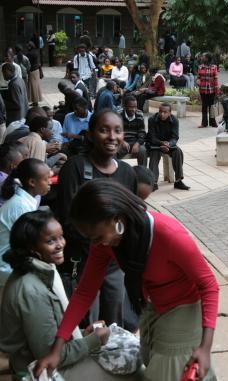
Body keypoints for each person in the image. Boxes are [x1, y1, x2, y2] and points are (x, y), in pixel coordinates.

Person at [34, 178, 219, 381]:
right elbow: (85, 292)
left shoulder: (170, 235)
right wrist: (57, 349)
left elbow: (209, 285)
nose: (95, 243)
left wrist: (205, 347)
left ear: (116, 218)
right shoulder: (105, 243)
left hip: (185, 306)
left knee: (167, 369)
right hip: (153, 305)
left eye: (96, 237)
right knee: (152, 361)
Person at [0, 210, 142, 380]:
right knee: (135, 370)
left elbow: (50, 328)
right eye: (51, 241)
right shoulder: (31, 291)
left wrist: (81, 333)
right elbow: (50, 356)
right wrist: (94, 339)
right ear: (31, 248)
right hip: (40, 369)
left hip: (51, 357)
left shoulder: (42, 270)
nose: (60, 244)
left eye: (61, 237)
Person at [56, 110, 139, 329]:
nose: (112, 136)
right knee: (87, 326)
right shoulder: (74, 168)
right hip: (83, 263)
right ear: (91, 134)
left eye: (117, 130)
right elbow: (68, 220)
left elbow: (130, 218)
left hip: (114, 265)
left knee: (115, 326)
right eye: (104, 130)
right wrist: (101, 241)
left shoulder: (127, 173)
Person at [0, 158, 51, 286]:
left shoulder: (24, 200)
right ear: (32, 182)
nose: (50, 182)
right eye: (46, 179)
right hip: (7, 268)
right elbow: (30, 244)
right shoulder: (21, 206)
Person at [147, 103, 190, 191]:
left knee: (178, 151)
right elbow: (152, 137)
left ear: (170, 113)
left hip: (169, 145)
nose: (162, 114)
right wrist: (161, 144)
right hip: (156, 144)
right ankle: (153, 182)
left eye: (165, 112)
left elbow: (175, 137)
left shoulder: (174, 120)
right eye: (160, 112)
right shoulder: (152, 120)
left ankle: (178, 181)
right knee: (154, 154)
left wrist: (169, 144)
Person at [119, 95, 148, 166]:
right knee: (113, 151)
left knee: (142, 151)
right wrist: (122, 142)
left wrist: (137, 144)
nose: (134, 109)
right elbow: (115, 132)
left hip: (135, 142)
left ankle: (142, 174)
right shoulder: (118, 115)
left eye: (135, 107)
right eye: (131, 107)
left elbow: (142, 133)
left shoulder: (139, 114)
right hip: (122, 143)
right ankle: (114, 174)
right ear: (124, 107)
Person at [196, 53, 220, 128]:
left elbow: (216, 79)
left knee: (211, 106)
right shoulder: (200, 67)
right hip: (203, 90)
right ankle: (204, 123)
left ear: (207, 58)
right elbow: (198, 77)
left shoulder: (214, 67)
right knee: (204, 106)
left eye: (203, 56)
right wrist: (198, 81)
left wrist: (217, 91)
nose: (202, 58)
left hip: (211, 90)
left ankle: (213, 122)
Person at [26, 42, 43, 106]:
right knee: (35, 86)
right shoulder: (36, 52)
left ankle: (35, 101)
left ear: (30, 46)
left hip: (33, 71)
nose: (27, 47)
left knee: (33, 87)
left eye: (28, 46)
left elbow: (28, 63)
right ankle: (35, 101)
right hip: (36, 70)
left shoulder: (30, 54)